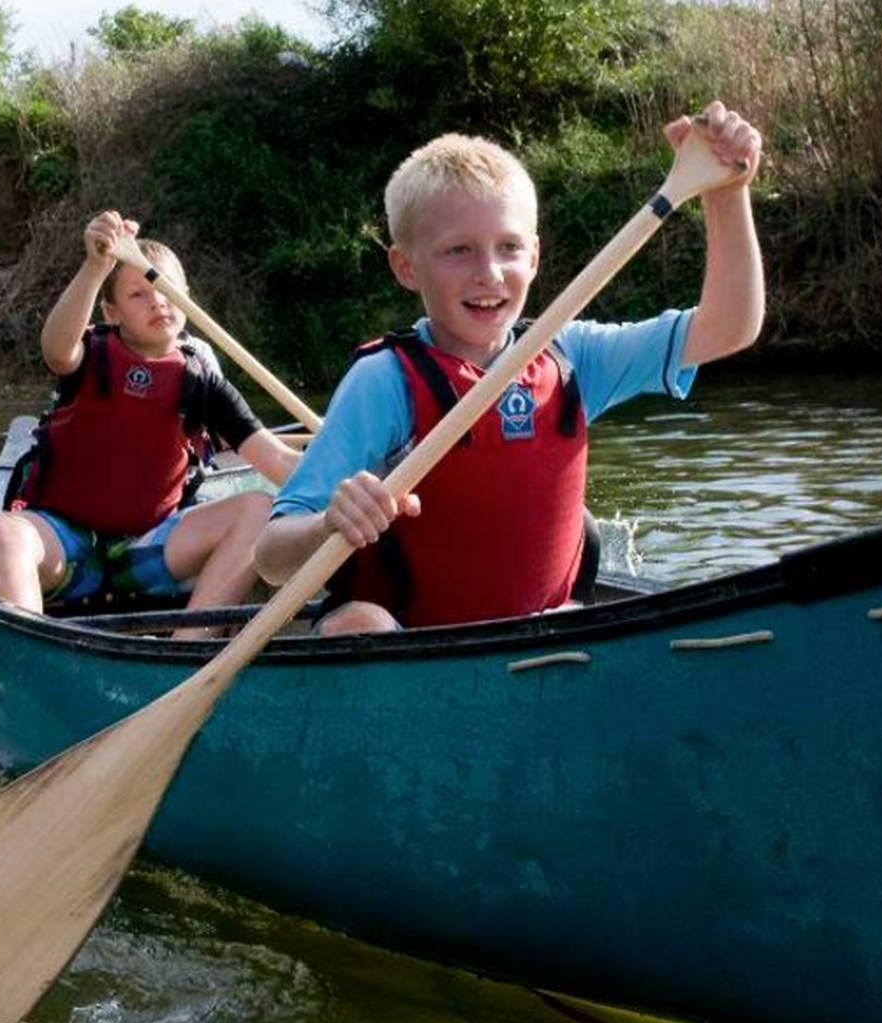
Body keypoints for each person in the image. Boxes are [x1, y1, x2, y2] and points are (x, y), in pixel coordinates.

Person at [254, 104, 763, 633]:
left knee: (579, 612)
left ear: (535, 257)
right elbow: (271, 561)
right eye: (459, 251)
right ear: (407, 267)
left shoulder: (571, 355)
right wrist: (329, 524)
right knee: (358, 622)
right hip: (409, 651)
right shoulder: (384, 381)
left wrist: (726, 195)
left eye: (509, 248)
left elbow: (729, 328)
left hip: (539, 645)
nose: (489, 273)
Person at [0, 211, 301, 637]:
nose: (158, 301)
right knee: (5, 531)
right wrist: (96, 265)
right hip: (66, 543)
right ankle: (31, 648)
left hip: (151, 546)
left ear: (187, 298)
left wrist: (347, 486)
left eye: (166, 289)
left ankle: (188, 648)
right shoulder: (91, 354)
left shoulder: (200, 378)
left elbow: (274, 458)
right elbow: (56, 350)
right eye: (139, 294)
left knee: (259, 508)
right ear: (112, 311)